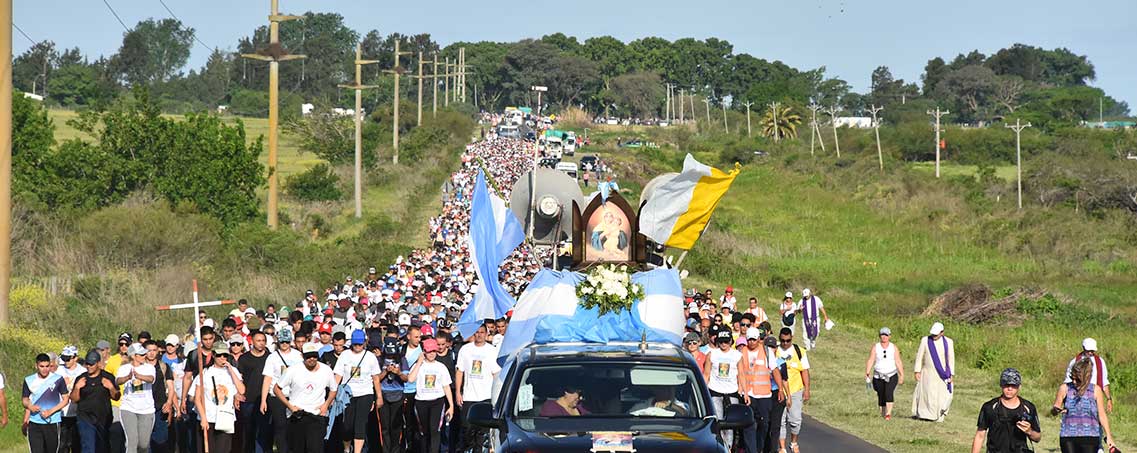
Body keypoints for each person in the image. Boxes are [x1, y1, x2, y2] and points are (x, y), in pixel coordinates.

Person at [275, 343, 338, 453]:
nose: (311, 359)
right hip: (297, 414)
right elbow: (277, 389)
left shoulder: (326, 370)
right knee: (298, 448)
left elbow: (333, 389)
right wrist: (290, 406)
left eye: (314, 356)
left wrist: (326, 405)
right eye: (308, 356)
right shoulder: (293, 370)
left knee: (315, 448)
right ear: (303, 356)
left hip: (317, 414)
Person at [332, 330, 383, 453]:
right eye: (355, 344)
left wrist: (379, 397)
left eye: (360, 344)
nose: (358, 347)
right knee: (347, 426)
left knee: (360, 424)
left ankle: (358, 451)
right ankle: (347, 448)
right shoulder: (345, 355)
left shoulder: (370, 357)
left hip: (365, 394)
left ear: (364, 343)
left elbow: (375, 378)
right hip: (348, 395)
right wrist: (332, 395)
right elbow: (337, 376)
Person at [971, 368, 1041, 453]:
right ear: (1001, 384)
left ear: (1019, 386)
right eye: (1006, 385)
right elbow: (980, 435)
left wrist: (1029, 431)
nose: (1010, 388)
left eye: (1013, 385)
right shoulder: (989, 407)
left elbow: (1037, 438)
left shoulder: (1028, 408)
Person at [1054, 358, 1116, 453]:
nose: (1074, 382)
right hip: (1068, 435)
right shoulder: (1065, 388)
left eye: (1078, 379)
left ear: (1086, 377)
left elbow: (1102, 415)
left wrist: (1109, 436)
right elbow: (1055, 408)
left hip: (1090, 435)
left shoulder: (1096, 390)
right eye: (1072, 378)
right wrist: (1056, 410)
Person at [739, 327, 785, 453]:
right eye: (749, 340)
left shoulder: (766, 352)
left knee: (764, 425)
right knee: (749, 424)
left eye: (754, 340)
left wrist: (780, 389)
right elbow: (740, 372)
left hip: (764, 395)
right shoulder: (741, 352)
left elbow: (775, 370)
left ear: (759, 339)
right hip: (748, 394)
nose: (751, 342)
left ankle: (759, 448)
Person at [455, 324, 501, 451]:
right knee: (467, 430)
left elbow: (496, 373)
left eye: (482, 332)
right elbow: (460, 371)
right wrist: (458, 392)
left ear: (486, 334)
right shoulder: (465, 350)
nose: (479, 335)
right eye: (477, 332)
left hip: (486, 396)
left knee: (482, 433)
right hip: (469, 396)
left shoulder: (492, 351)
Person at [189, 351, 245, 453]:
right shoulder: (205, 373)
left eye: (225, 355)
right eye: (219, 355)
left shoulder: (233, 371)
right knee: (209, 449)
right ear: (214, 355)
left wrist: (231, 370)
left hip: (226, 417)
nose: (222, 358)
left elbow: (242, 390)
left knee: (224, 449)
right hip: (209, 417)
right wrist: (203, 418)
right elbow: (197, 398)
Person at [703, 329, 747, 450]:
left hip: (732, 392)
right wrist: (703, 390)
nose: (724, 344)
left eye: (726, 342)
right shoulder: (712, 354)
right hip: (715, 391)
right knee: (718, 421)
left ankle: (728, 448)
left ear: (731, 342)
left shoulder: (737, 355)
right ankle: (719, 447)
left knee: (730, 424)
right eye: (721, 341)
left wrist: (745, 392)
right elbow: (706, 374)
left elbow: (741, 375)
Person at [260, 328, 303, 453]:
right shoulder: (272, 358)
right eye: (282, 342)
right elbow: (267, 379)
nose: (285, 344)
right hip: (276, 396)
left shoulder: (297, 356)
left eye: (287, 342)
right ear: (278, 342)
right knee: (280, 426)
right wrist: (263, 400)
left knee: (294, 425)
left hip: (294, 395)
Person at [408, 338, 454, 453]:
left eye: (434, 351)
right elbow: (411, 379)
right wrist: (419, 362)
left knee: (435, 430)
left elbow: (446, 386)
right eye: (429, 351)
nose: (432, 354)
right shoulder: (419, 365)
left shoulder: (441, 367)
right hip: (421, 402)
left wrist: (451, 405)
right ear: (424, 352)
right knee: (423, 432)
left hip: (437, 401)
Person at [71, 349, 121, 453]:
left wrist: (111, 387)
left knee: (102, 447)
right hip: (85, 417)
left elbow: (116, 397)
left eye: (91, 364)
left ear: (98, 364)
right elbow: (74, 399)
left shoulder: (107, 377)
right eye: (87, 364)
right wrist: (77, 388)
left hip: (103, 418)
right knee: (88, 446)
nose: (88, 366)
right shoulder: (81, 378)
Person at [22, 353, 71, 453]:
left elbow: (66, 399)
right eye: (42, 366)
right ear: (36, 366)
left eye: (47, 366)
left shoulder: (58, 379)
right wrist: (30, 406)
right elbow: (25, 399)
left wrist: (51, 411)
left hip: (52, 422)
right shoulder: (29, 380)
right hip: (35, 423)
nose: (45, 369)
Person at [115, 343, 156, 453]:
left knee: (143, 444)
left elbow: (151, 379)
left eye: (144, 354)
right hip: (128, 408)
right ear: (133, 356)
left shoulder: (150, 367)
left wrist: (139, 376)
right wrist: (127, 377)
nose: (144, 356)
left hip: (146, 410)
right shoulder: (124, 368)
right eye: (141, 355)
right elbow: (118, 381)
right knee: (132, 441)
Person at [1054, 338, 1112, 415]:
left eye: (1093, 351)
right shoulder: (1075, 362)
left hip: (1094, 397)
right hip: (1077, 396)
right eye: (1089, 350)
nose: (1091, 352)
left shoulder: (1100, 362)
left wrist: (1108, 399)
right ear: (1084, 348)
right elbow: (1068, 382)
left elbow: (1104, 382)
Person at [775, 327, 809, 453]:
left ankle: (794, 442)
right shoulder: (775, 351)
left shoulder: (799, 351)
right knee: (781, 420)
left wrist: (807, 389)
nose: (785, 343)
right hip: (780, 391)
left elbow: (805, 371)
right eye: (782, 340)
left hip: (796, 390)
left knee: (795, 420)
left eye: (787, 341)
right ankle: (782, 447)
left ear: (791, 338)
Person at [236, 331, 271, 453]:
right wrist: (238, 395)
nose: (261, 343)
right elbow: (239, 378)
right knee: (249, 431)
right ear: (252, 342)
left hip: (265, 400)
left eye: (263, 341)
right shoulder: (244, 358)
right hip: (248, 400)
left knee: (264, 431)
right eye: (258, 340)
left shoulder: (270, 357)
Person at [913, 322, 955, 422]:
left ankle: (938, 415)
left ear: (942, 333)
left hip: (942, 374)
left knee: (940, 395)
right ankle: (925, 414)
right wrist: (917, 371)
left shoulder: (949, 342)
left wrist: (952, 373)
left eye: (936, 335)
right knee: (927, 394)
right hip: (928, 372)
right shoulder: (925, 340)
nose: (934, 336)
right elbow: (919, 356)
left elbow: (951, 358)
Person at [865, 327, 904, 420]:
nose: (884, 337)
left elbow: (898, 361)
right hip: (878, 375)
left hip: (891, 375)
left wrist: (902, 374)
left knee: (889, 393)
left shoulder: (893, 347)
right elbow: (871, 359)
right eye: (882, 335)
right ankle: (883, 412)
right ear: (880, 336)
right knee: (881, 394)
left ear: (889, 336)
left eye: (886, 335)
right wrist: (867, 372)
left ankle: (888, 414)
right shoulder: (876, 347)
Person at [58, 345, 87, 453]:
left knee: (76, 444)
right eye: (64, 358)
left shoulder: (83, 371)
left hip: (77, 413)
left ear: (75, 358)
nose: (66, 361)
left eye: (68, 358)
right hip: (61, 413)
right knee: (62, 445)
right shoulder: (59, 370)